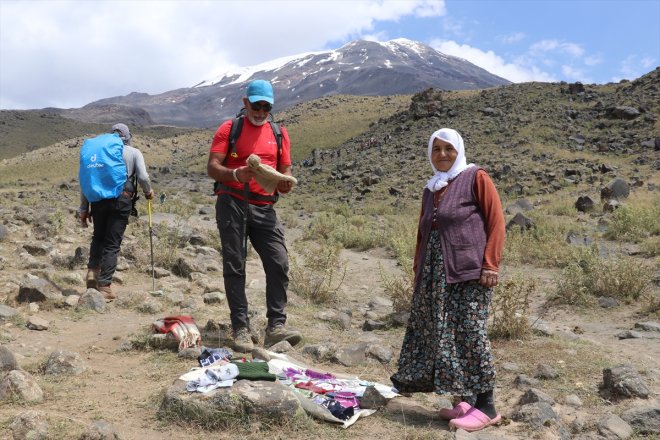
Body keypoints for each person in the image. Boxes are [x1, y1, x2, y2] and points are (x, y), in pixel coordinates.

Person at [390, 128, 505, 432]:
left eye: (448, 149)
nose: (442, 154)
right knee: (444, 334)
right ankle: (465, 401)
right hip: (435, 274)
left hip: (469, 271)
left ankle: (488, 406)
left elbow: (496, 222)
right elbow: (422, 233)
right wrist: (418, 270)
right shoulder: (431, 189)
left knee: (470, 332)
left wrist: (490, 263)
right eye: (436, 149)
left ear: (459, 151)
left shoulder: (475, 177)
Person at [207, 79, 301, 353]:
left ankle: (276, 327)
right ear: (245, 103)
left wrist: (285, 184)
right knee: (235, 264)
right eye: (256, 105)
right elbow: (213, 167)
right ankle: (241, 329)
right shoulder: (229, 129)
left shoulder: (279, 133)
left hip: (264, 206)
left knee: (278, 261)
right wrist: (235, 174)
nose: (260, 111)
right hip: (232, 202)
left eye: (266, 107)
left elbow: (285, 170)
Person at [78, 123, 153, 300]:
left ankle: (92, 275)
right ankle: (104, 286)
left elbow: (85, 181)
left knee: (98, 237)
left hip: (97, 201)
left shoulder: (99, 153)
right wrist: (148, 191)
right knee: (112, 243)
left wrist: (83, 208)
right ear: (128, 137)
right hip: (121, 200)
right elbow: (142, 177)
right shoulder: (133, 152)